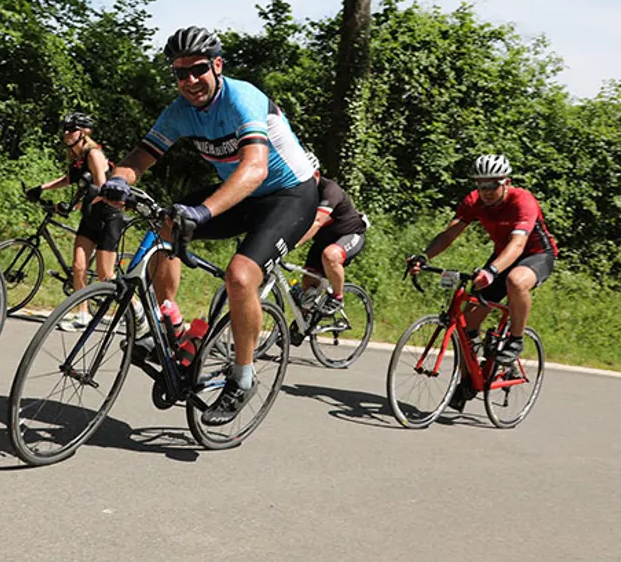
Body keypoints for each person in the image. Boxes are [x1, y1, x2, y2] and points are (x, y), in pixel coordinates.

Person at [101, 26, 317, 426]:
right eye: (180, 73)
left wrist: (203, 213)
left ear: (217, 65)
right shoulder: (180, 110)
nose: (189, 81)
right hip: (239, 192)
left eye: (198, 70)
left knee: (239, 276)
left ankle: (242, 376)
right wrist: (118, 179)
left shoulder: (242, 98)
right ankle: (174, 327)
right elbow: (141, 156)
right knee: (164, 227)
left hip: (289, 196)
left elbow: (255, 168)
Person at [407, 154, 557, 409]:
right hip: (501, 257)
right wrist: (424, 255)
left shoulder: (523, 200)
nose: (486, 191)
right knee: (466, 326)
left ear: (506, 182)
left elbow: (518, 243)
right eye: (480, 185)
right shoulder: (474, 201)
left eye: (492, 185)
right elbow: (450, 233)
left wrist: (491, 270)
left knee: (515, 281)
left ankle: (516, 339)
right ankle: (467, 382)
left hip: (536, 255)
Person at [25, 112, 125, 331]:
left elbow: (101, 187)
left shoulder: (94, 154)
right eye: (65, 129)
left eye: (71, 129)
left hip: (108, 215)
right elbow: (71, 179)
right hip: (90, 215)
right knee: (78, 267)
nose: (66, 133)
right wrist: (41, 188)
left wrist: (74, 204)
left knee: (105, 275)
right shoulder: (76, 155)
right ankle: (82, 314)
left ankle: (133, 307)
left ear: (84, 132)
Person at [291, 151, 368, 323]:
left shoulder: (330, 190)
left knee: (330, 255)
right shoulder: (297, 193)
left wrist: (293, 245)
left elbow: (317, 222)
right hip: (323, 240)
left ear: (316, 175)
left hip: (350, 235)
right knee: (308, 284)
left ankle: (338, 297)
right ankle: (302, 323)